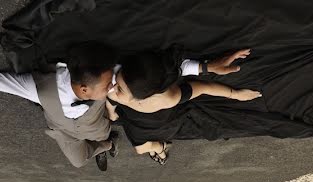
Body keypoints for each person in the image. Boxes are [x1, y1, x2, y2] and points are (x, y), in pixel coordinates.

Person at [0, 43, 251, 171]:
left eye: (115, 81)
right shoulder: (39, 88)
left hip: (97, 122)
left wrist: (207, 66)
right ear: (83, 88)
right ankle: (107, 145)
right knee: (78, 160)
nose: (114, 87)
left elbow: (155, 75)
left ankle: (108, 141)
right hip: (63, 128)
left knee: (99, 138)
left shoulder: (106, 76)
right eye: (109, 85)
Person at [106, 49, 261, 164]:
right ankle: (160, 149)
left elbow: (203, 87)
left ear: (145, 96)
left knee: (141, 149)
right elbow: (111, 101)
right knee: (141, 149)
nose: (111, 87)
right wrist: (112, 113)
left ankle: (160, 148)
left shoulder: (169, 98)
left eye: (119, 88)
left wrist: (236, 94)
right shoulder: (116, 89)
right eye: (116, 78)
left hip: (160, 122)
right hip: (134, 124)